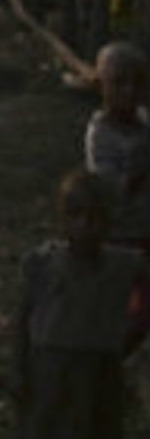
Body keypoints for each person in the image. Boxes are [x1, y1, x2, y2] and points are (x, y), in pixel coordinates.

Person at [13, 171, 148, 439]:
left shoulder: (121, 264)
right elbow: (21, 319)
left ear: (110, 222)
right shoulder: (42, 263)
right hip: (47, 366)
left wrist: (133, 331)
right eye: (77, 216)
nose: (86, 227)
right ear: (62, 218)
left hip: (94, 369)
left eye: (97, 218)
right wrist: (18, 370)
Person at [85, 41, 150, 351]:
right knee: (121, 307)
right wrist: (139, 168)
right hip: (120, 235)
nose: (129, 91)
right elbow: (109, 189)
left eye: (137, 83)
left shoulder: (145, 122)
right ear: (100, 84)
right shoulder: (101, 134)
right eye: (119, 82)